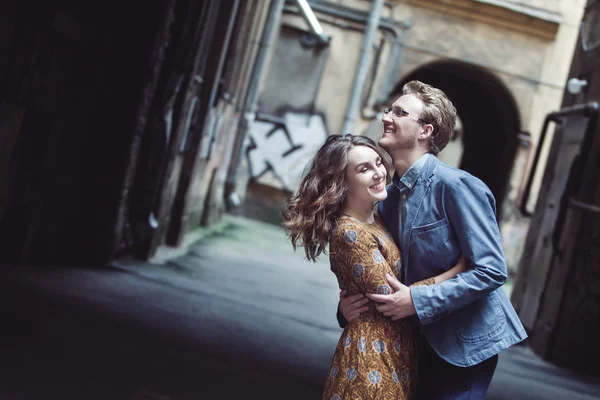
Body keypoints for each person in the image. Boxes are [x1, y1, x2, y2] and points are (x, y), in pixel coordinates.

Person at [337, 80, 528, 399]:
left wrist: (418, 300)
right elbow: (377, 266)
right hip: (408, 344)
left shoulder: (457, 187)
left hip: (463, 347)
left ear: (425, 131)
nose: (387, 116)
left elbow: (491, 270)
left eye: (399, 112)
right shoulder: (386, 197)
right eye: (388, 109)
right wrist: (346, 308)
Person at [282, 134, 468, 399]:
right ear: (343, 183)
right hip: (369, 358)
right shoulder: (350, 232)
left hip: (393, 353)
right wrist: (458, 270)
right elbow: (392, 298)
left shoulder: (377, 220)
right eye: (364, 169)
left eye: (378, 162)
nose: (379, 172)